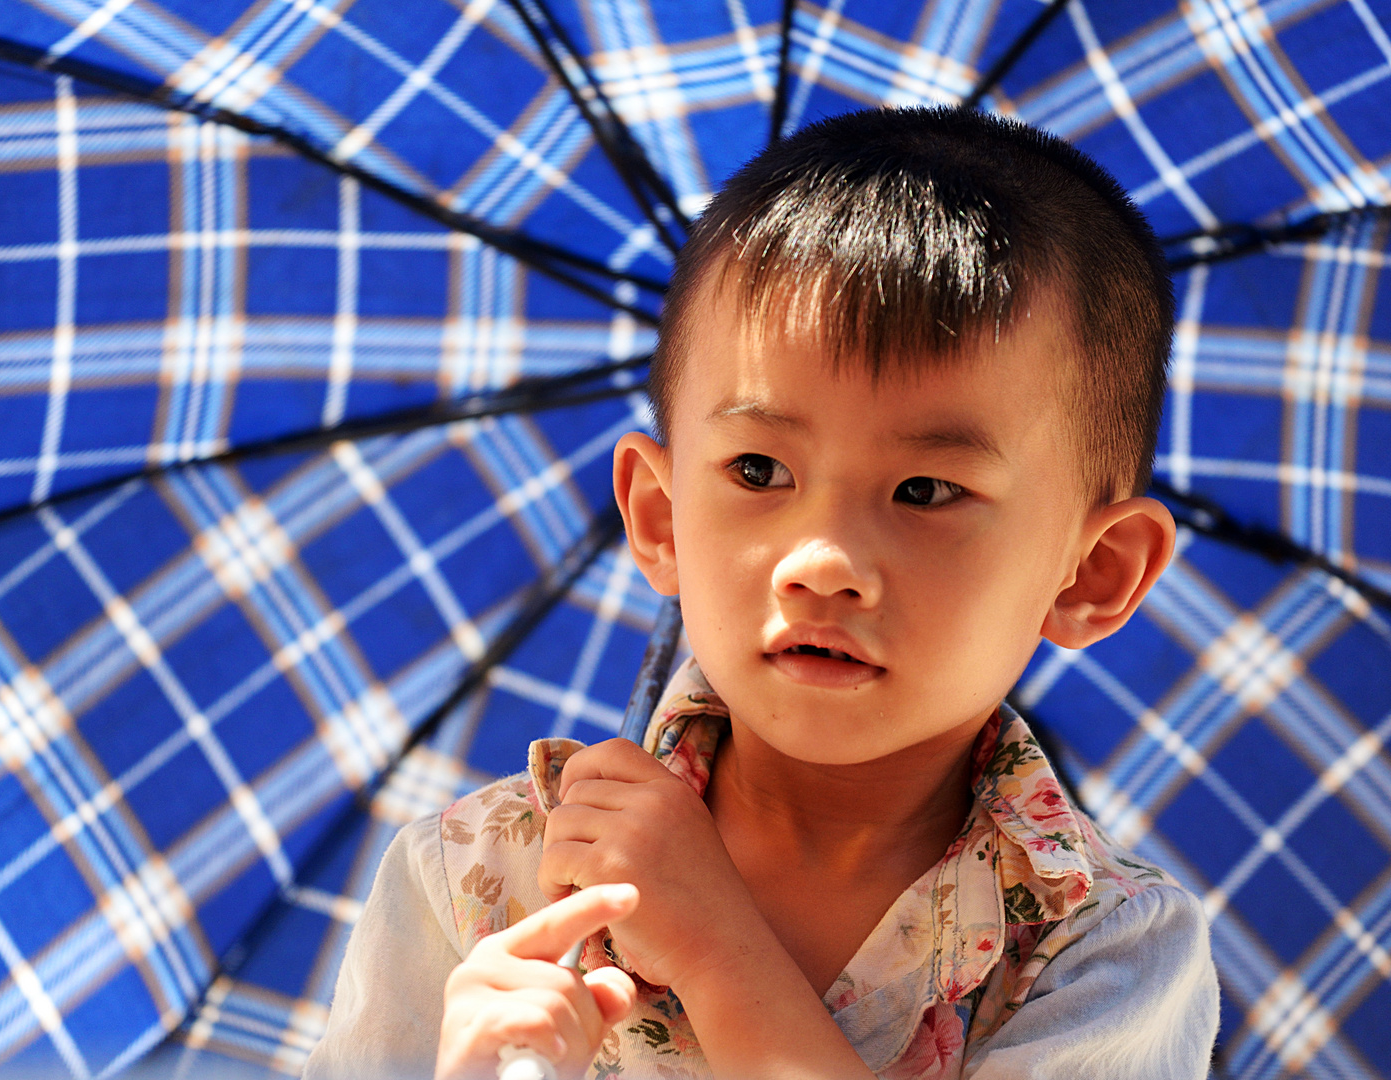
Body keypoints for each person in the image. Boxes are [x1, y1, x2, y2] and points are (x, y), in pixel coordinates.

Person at [306, 105, 1219, 1079]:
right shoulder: (484, 882)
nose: (820, 559)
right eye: (755, 471)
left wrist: (717, 949)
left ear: (1092, 573)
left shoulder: (1102, 954)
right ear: (658, 518)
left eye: (925, 491)